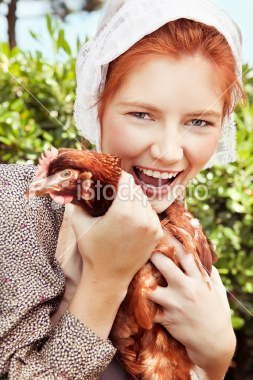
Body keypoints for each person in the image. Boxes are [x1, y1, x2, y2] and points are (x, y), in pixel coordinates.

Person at [0, 0, 246, 379]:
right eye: (141, 114)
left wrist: (215, 359)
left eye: (198, 121)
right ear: (98, 104)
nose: (167, 151)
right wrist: (105, 280)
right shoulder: (22, 203)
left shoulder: (184, 233)